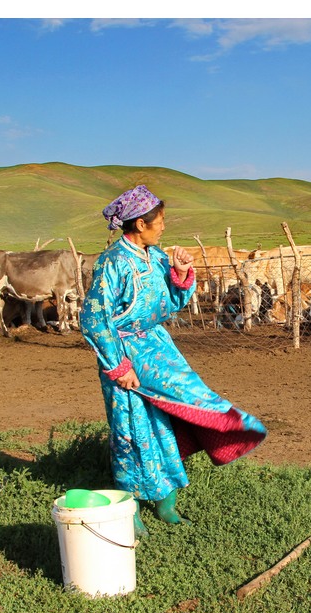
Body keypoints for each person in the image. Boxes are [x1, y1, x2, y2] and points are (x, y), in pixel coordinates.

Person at [80, 185, 267, 537]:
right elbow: (94, 318)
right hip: (123, 353)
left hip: (157, 346)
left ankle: (167, 503)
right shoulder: (113, 262)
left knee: (173, 413)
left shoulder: (157, 256)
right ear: (139, 224)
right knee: (132, 430)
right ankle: (129, 510)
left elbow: (172, 304)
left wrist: (179, 272)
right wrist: (118, 367)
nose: (164, 227)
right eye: (160, 221)